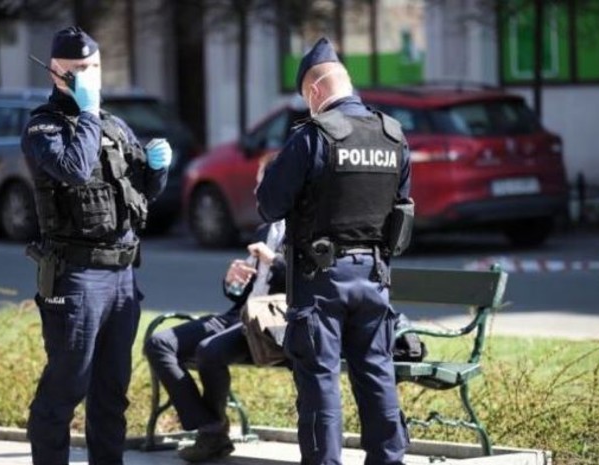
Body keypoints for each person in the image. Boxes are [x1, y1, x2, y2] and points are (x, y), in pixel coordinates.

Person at [255, 37, 412, 465]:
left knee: (320, 380)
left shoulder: (313, 137)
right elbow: (402, 208)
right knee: (377, 373)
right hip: (374, 276)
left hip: (321, 280)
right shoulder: (392, 134)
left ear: (314, 91)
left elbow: (270, 205)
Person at [20, 26, 171, 465]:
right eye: (80, 69)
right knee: (65, 387)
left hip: (122, 276)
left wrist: (157, 169)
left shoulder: (113, 125)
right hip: (77, 275)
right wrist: (86, 111)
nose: (90, 76)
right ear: (56, 72)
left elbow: (141, 193)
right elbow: (73, 168)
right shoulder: (45, 126)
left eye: (95, 67)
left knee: (111, 392)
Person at [144, 158, 286, 463]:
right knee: (159, 343)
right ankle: (211, 426)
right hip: (238, 316)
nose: (257, 191)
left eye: (262, 184)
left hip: (269, 323)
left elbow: (308, 281)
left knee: (209, 350)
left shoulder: (304, 230)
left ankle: (211, 438)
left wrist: (274, 261)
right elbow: (241, 290)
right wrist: (233, 280)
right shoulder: (264, 230)